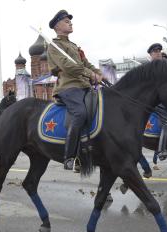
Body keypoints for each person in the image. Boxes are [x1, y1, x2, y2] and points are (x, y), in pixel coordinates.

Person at [47, 9, 103, 170]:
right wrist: (89, 73)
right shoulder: (54, 46)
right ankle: (70, 156)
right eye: (66, 21)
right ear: (57, 26)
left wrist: (99, 73)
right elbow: (67, 66)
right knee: (80, 112)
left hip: (84, 86)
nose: (70, 23)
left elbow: (86, 63)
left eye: (70, 21)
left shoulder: (74, 46)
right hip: (69, 86)